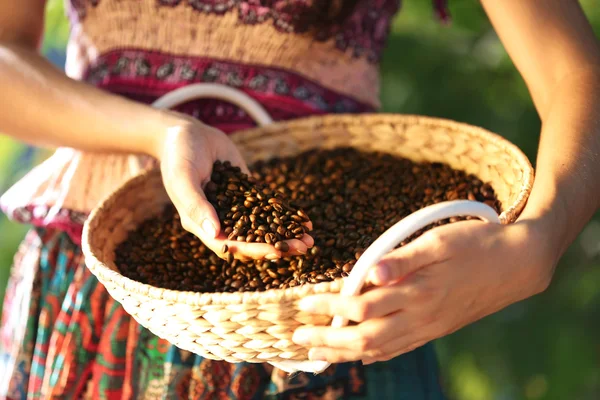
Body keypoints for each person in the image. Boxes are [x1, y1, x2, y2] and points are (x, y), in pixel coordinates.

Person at [0, 0, 599, 398]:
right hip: (103, 291)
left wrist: (540, 239)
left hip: (343, 305)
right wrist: (162, 134)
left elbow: (577, 75)